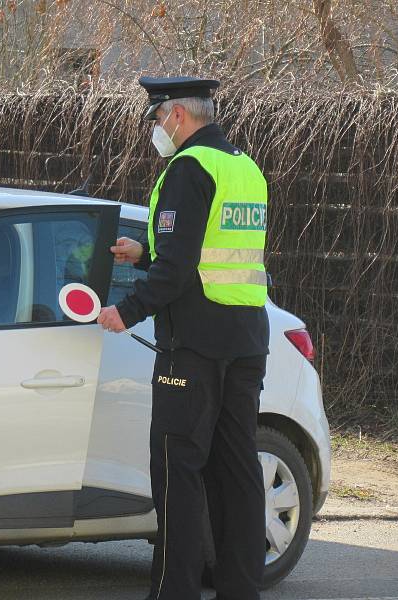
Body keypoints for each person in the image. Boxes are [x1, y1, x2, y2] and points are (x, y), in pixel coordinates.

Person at [97, 76, 270, 600]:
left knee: (178, 473)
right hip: (245, 339)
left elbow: (176, 276)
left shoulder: (188, 168)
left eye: (156, 119)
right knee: (238, 470)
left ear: (176, 115)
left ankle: (174, 592)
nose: (156, 129)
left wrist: (124, 311)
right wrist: (145, 254)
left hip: (193, 345)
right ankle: (241, 589)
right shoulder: (245, 166)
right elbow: (210, 255)